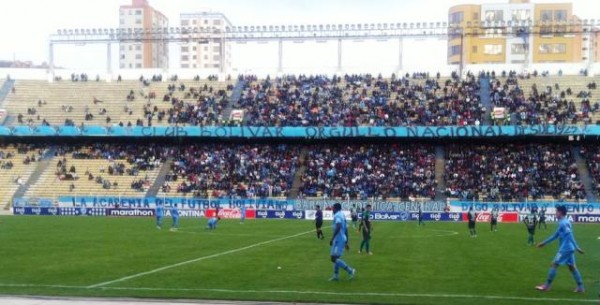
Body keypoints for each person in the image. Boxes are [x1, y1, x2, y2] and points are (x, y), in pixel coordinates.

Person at [535, 205, 585, 293]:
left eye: (556, 212)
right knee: (572, 267)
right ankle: (580, 287)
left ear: (560, 212)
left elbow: (569, 235)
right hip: (569, 248)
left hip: (566, 248)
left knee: (554, 264)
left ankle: (547, 286)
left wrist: (577, 247)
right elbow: (555, 235)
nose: (555, 213)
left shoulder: (563, 223)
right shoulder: (563, 222)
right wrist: (544, 243)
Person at [329, 203, 355, 281]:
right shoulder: (342, 215)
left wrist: (332, 237)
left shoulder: (337, 215)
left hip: (338, 240)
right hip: (342, 239)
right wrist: (346, 241)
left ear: (336, 208)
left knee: (333, 258)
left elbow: (339, 225)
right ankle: (336, 276)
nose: (332, 210)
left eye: (333, 208)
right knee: (336, 258)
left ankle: (350, 270)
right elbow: (346, 229)